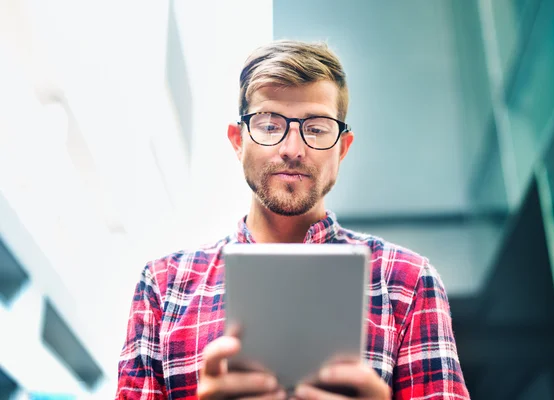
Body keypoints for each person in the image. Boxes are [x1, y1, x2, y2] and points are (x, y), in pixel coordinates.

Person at [116, 40, 470, 400]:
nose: (292, 149)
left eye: (316, 128)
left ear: (342, 148)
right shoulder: (163, 286)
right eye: (269, 125)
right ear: (238, 141)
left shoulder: (408, 282)